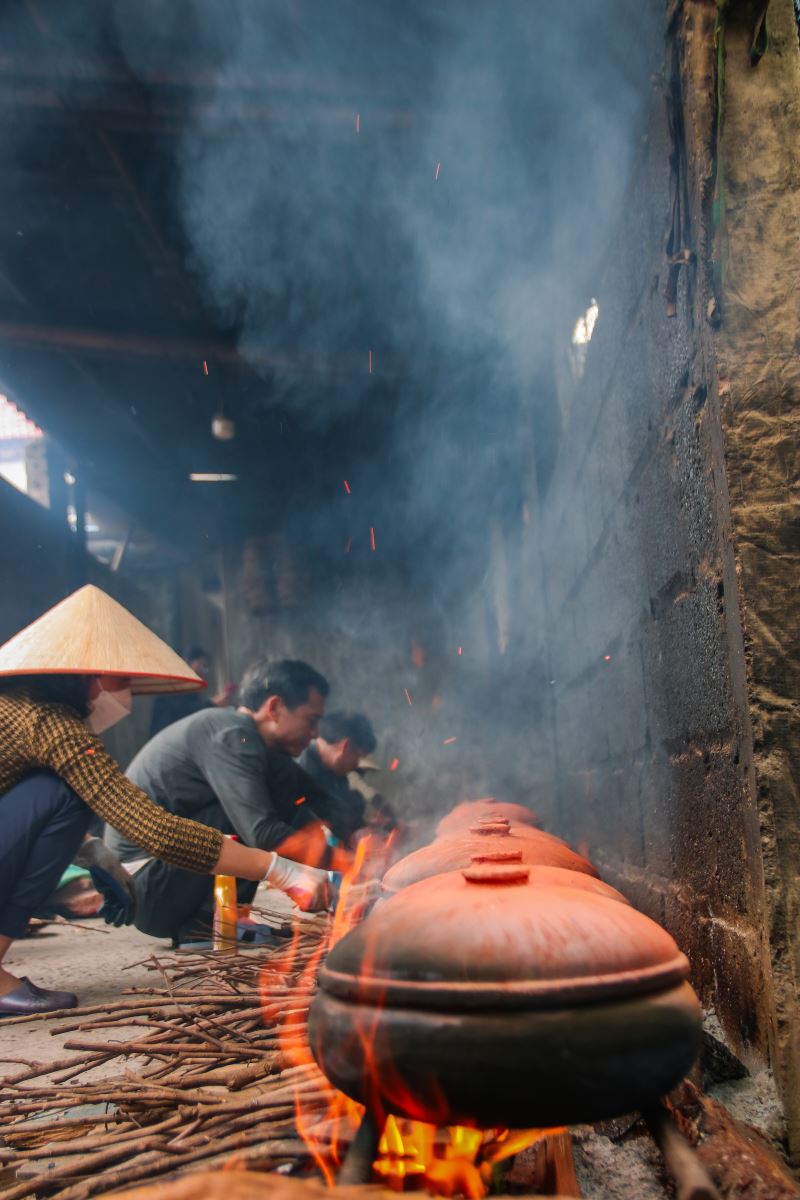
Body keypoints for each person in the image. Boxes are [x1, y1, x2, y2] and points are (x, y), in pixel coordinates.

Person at [0, 586, 331, 1016]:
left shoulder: (20, 707)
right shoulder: (52, 723)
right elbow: (153, 830)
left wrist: (92, 852)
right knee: (66, 794)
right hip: (152, 870)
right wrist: (282, 870)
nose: (129, 694)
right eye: (120, 678)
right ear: (86, 674)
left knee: (61, 794)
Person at [105, 658, 360, 947]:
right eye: (311, 720)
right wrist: (347, 864)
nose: (315, 734)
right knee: (255, 812)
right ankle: (203, 926)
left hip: (162, 881)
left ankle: (222, 920)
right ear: (275, 708)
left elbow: (318, 797)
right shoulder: (231, 734)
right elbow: (262, 832)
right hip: (146, 887)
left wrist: (360, 834)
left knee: (281, 784)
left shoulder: (263, 749)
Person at [298, 711, 394, 834]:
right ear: (345, 746)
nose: (357, 764)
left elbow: (344, 811)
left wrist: (367, 827)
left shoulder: (335, 769)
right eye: (359, 756)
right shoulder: (302, 770)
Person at [149, 647, 236, 737]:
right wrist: (211, 703)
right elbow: (185, 712)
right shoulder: (173, 684)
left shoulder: (190, 687)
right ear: (188, 662)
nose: (203, 672)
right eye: (202, 666)